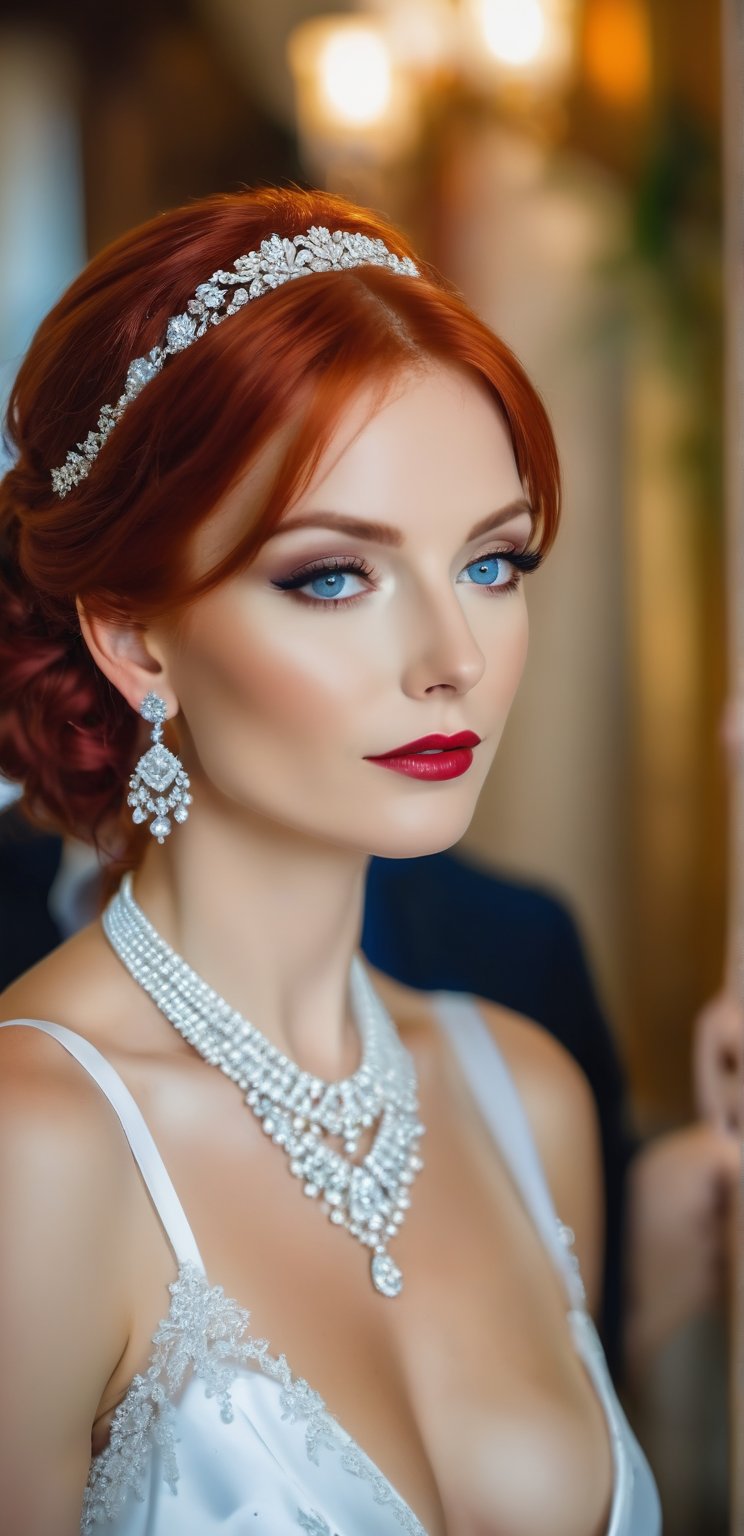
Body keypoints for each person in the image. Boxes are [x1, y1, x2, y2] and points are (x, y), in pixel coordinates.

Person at [0, 187, 661, 1535]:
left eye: (493, 561)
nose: (453, 660)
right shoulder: (36, 1150)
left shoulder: (524, 1098)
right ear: (136, 639)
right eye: (332, 576)